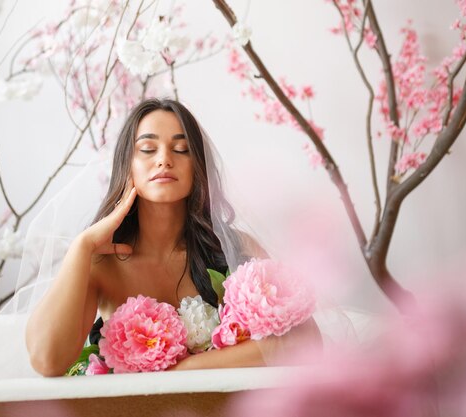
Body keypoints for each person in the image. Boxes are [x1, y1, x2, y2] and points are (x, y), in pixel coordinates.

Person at [24, 98, 321, 377]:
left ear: (198, 168)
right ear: (127, 165)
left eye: (181, 150)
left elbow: (307, 341)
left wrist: (184, 371)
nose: (164, 160)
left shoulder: (236, 247)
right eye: (148, 149)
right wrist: (82, 246)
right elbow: (47, 361)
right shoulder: (101, 262)